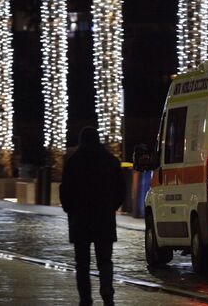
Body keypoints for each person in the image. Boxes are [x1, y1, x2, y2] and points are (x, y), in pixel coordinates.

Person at [59, 127, 125, 306]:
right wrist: (112, 207)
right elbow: (121, 190)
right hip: (104, 218)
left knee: (82, 263)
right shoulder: (111, 161)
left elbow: (65, 191)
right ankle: (106, 290)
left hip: (80, 219)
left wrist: (70, 210)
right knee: (105, 259)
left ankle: (85, 299)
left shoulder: (73, 162)